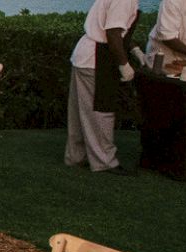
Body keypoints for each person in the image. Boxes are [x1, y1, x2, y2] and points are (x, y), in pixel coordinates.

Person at [67, 0, 141, 175]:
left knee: (80, 113)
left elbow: (116, 29)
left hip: (86, 56)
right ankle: (104, 162)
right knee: (101, 110)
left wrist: (136, 49)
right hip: (96, 58)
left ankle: (76, 156)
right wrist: (124, 65)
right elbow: (113, 33)